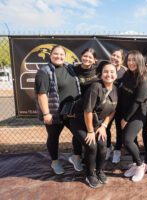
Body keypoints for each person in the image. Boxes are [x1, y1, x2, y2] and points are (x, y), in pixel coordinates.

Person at [35, 45, 82, 175]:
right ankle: (55, 161)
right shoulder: (44, 71)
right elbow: (42, 94)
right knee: (53, 137)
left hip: (72, 111)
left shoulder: (70, 68)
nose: (59, 56)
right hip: (55, 112)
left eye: (61, 54)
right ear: (51, 55)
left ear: (65, 56)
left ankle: (76, 157)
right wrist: (46, 113)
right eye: (56, 54)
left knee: (79, 134)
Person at [70, 61, 118, 188]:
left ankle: (99, 171)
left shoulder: (115, 90)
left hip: (97, 123)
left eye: (112, 72)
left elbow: (112, 111)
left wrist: (104, 126)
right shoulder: (95, 87)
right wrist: (90, 131)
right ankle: (90, 174)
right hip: (80, 121)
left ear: (116, 74)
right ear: (101, 74)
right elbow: (88, 111)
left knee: (102, 146)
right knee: (91, 146)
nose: (109, 74)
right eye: (106, 72)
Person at [118, 50, 147, 182]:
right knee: (132, 141)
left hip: (137, 114)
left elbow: (138, 102)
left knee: (127, 140)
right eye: (129, 60)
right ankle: (134, 164)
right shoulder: (128, 74)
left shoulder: (144, 79)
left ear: (140, 61)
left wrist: (126, 119)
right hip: (125, 112)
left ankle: (140, 165)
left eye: (134, 60)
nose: (131, 62)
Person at [105, 49, 127, 163]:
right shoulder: (105, 68)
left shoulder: (125, 72)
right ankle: (108, 147)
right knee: (106, 127)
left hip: (121, 106)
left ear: (122, 60)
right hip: (107, 105)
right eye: (113, 55)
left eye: (118, 56)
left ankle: (117, 150)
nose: (115, 58)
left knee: (119, 129)